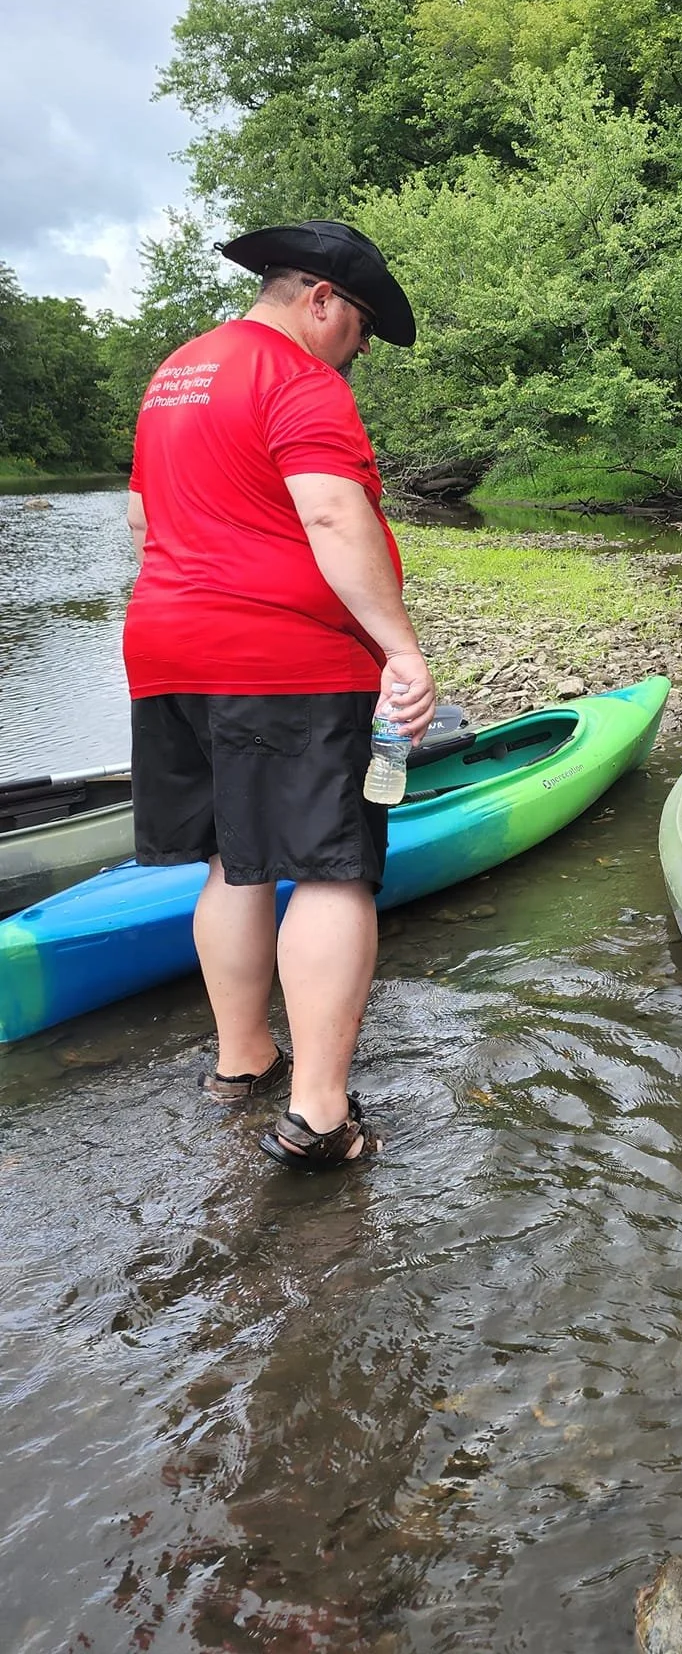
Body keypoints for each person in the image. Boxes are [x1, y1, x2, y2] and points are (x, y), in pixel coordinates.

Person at [123, 219, 436, 1168]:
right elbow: (332, 512)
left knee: (235, 856)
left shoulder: (178, 371)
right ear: (321, 299)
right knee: (335, 869)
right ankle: (321, 1117)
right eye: (362, 328)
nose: (361, 351)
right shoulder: (298, 377)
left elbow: (142, 517)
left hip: (167, 647)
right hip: (284, 661)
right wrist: (401, 651)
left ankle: (242, 1060)